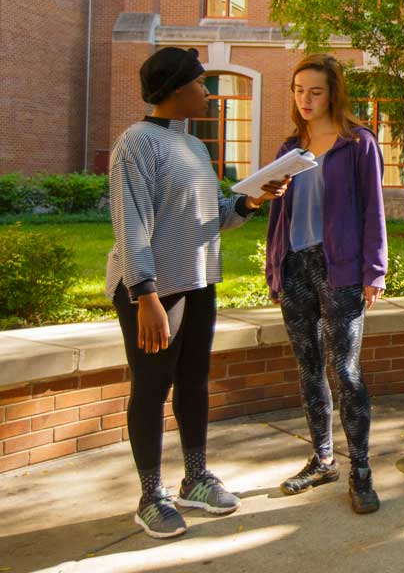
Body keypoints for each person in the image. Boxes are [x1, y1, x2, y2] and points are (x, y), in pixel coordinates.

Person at [107, 47, 287, 539]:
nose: (207, 92)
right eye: (201, 83)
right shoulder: (136, 143)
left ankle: (196, 478)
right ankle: (150, 494)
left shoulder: (192, 146)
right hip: (153, 293)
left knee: (194, 383)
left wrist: (249, 200)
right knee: (151, 388)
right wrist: (144, 295)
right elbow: (131, 224)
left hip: (200, 280)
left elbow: (210, 220)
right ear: (174, 90)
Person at [265, 53, 388, 514]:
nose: (305, 99)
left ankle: (360, 470)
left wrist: (374, 271)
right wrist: (274, 267)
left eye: (315, 91)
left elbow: (373, 211)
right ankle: (322, 459)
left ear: (333, 92)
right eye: (299, 91)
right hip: (294, 266)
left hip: (340, 269)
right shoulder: (289, 148)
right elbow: (278, 214)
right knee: (309, 367)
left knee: (346, 371)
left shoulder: (358, 144)